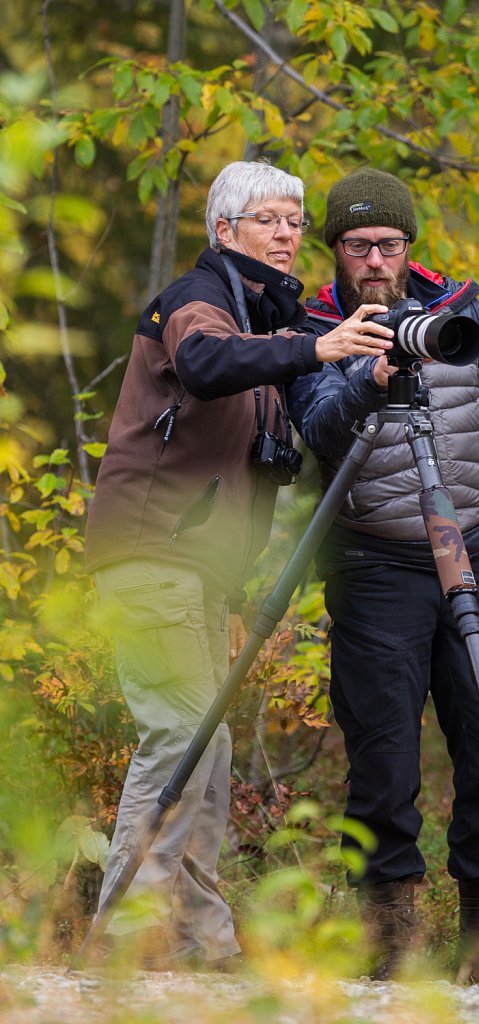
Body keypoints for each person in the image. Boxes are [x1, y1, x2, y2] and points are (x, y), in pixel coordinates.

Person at [83, 161, 393, 971]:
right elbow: (207, 366)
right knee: (179, 739)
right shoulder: (198, 300)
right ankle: (125, 942)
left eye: (294, 220)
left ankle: (201, 942)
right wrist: (313, 344)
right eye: (267, 219)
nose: (288, 233)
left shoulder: (262, 315)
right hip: (150, 552)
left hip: (195, 571)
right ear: (225, 231)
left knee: (206, 748)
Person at [286, 168, 479, 984]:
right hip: (372, 565)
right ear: (335, 251)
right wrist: (364, 376)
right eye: (356, 246)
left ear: (409, 247)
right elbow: (320, 432)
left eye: (386, 244)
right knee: (384, 762)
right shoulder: (315, 328)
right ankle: (387, 944)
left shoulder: (462, 314)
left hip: (466, 551)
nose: (372, 259)